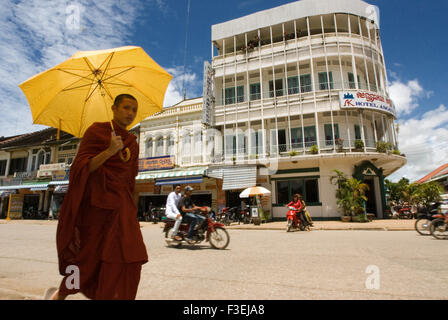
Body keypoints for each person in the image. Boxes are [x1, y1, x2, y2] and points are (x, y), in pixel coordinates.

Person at [45, 94, 148, 300]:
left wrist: (132, 208)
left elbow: (130, 180)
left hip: (122, 208)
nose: (130, 113)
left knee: (130, 256)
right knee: (88, 258)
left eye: (134, 110)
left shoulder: (132, 142)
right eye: (126, 108)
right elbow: (81, 169)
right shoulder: (96, 131)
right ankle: (61, 294)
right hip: (97, 207)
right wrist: (109, 151)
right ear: (114, 108)